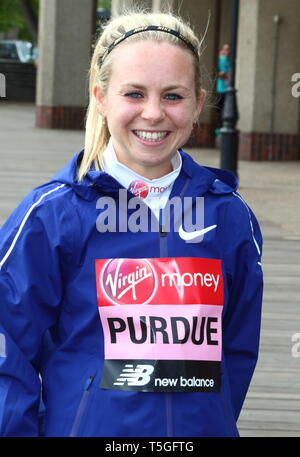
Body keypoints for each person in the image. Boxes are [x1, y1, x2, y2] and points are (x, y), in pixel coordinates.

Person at [0, 10, 263, 437]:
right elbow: (8, 347)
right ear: (101, 98)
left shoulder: (230, 217)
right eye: (135, 94)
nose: (154, 113)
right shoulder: (51, 215)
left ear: (198, 103)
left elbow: (235, 351)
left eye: (173, 96)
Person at [215, 43, 231, 135]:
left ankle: (222, 128)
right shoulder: (219, 59)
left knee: (226, 110)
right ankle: (218, 129)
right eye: (225, 49)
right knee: (219, 110)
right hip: (220, 89)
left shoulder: (229, 61)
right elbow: (219, 73)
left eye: (228, 49)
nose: (227, 51)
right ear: (222, 51)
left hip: (228, 89)